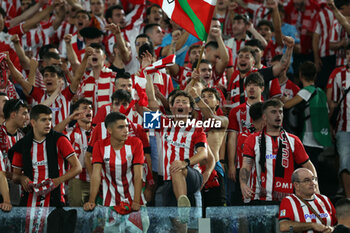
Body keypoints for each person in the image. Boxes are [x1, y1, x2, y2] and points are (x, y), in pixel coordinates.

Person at [240, 98, 318, 204]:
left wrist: (315, 187)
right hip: (258, 197)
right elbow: (246, 165)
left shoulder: (293, 140)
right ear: (264, 117)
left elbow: (308, 165)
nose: (278, 115)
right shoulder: (252, 139)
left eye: (280, 112)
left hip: (286, 199)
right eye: (273, 112)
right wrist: (243, 184)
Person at [10, 104, 82, 207]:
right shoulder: (21, 145)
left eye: (50, 119)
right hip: (29, 199)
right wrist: (21, 179)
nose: (48, 123)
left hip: (55, 197)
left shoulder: (60, 140)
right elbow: (15, 176)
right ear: (33, 122)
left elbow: (77, 167)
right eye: (44, 120)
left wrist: (57, 181)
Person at [83, 112, 145, 211]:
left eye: (127, 126)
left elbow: (138, 175)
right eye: (121, 127)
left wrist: (136, 201)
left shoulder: (136, 143)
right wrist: (91, 201)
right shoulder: (99, 145)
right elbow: (96, 175)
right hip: (110, 201)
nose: (126, 130)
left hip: (134, 198)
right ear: (110, 130)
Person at [54, 98, 94, 206]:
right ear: (76, 112)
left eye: (90, 108)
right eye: (84, 108)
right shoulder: (69, 132)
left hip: (96, 178)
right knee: (77, 212)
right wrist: (70, 118)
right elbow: (52, 134)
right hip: (77, 179)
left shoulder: (99, 131)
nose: (89, 111)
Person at [279, 168, 336, 233]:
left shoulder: (324, 199)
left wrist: (332, 229)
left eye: (313, 179)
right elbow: (283, 226)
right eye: (307, 180)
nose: (312, 183)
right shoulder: (289, 201)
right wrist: (312, 225)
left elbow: (338, 223)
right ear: (296, 185)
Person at [0, 99, 29, 205]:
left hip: (18, 189)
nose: (27, 118)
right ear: (13, 115)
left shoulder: (24, 137)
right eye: (24, 114)